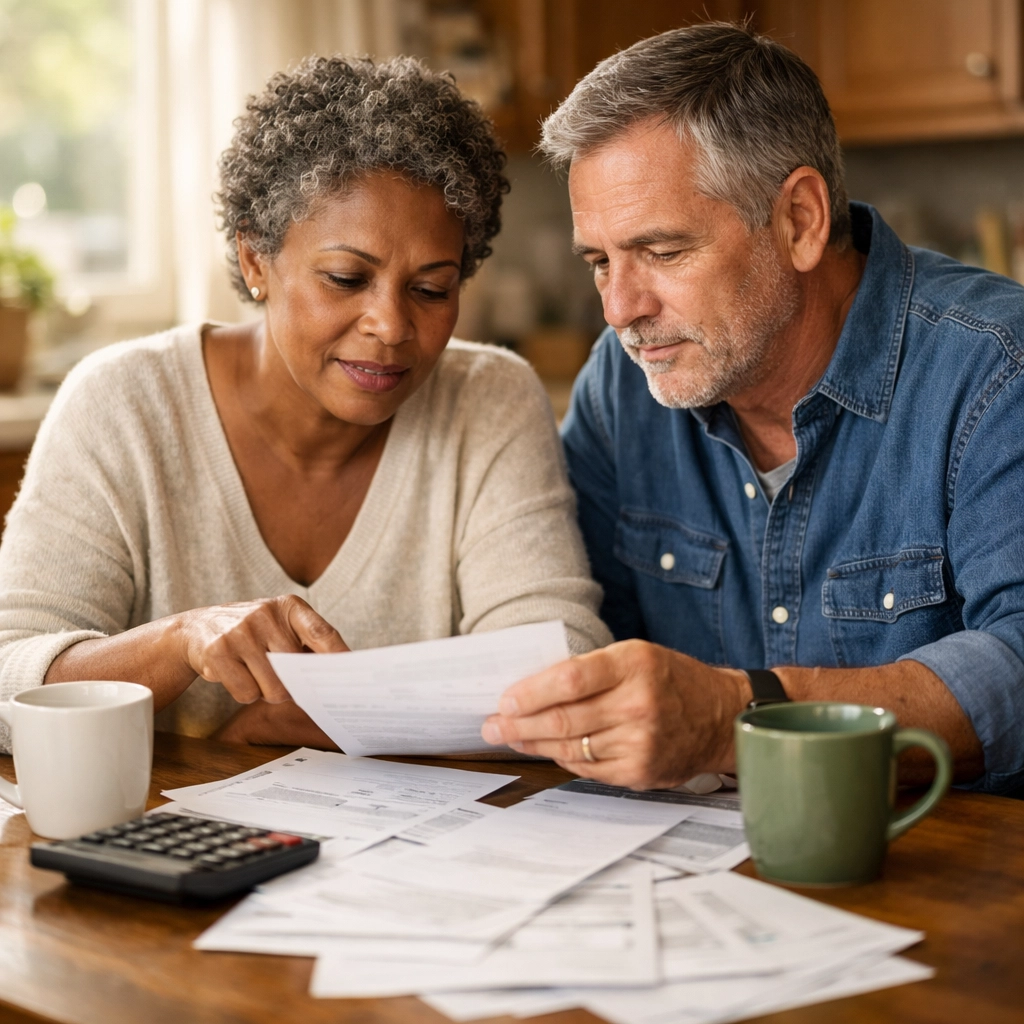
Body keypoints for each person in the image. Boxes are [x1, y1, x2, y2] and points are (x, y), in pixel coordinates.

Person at [0, 55, 610, 753]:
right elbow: (6, 685)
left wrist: (359, 714)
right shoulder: (123, 403)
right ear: (256, 260)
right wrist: (179, 643)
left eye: (432, 288)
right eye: (347, 278)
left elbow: (560, 665)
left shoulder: (488, 400)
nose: (391, 326)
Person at [481, 22, 1024, 797]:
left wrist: (741, 715)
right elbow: (582, 620)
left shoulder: (997, 371)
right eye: (600, 262)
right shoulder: (622, 383)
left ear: (800, 220)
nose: (619, 309)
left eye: (663, 252)